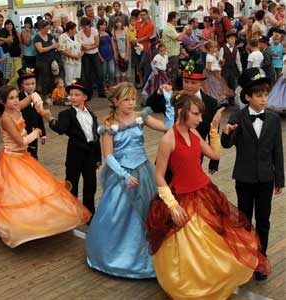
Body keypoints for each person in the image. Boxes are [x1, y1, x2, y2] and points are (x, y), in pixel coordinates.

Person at [146, 93, 271, 299]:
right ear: (181, 112)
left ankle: (212, 283)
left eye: (200, 115)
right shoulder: (168, 139)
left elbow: (215, 155)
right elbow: (159, 176)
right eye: (195, 114)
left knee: (215, 242)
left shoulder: (194, 134)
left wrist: (214, 128)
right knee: (191, 248)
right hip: (183, 198)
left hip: (204, 192)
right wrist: (172, 205)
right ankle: (193, 286)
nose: (199, 119)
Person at [0, 85, 91, 248]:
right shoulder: (5, 118)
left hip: (23, 157)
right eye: (11, 98)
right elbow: (20, 141)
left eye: (16, 96)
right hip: (13, 159)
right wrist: (36, 132)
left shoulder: (17, 107)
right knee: (17, 195)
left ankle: (43, 222)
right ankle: (19, 229)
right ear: (3, 102)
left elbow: (32, 96)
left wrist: (38, 103)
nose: (16, 100)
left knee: (37, 190)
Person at [86, 82, 173, 279]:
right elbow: (108, 155)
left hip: (144, 171)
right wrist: (124, 175)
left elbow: (168, 127)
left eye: (133, 99)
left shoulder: (140, 117)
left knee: (149, 213)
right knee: (118, 215)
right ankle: (116, 256)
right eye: (126, 99)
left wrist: (167, 101)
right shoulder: (108, 126)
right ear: (116, 101)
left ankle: (148, 257)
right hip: (123, 174)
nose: (131, 103)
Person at [222, 68, 284, 281]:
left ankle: (261, 259)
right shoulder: (238, 116)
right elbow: (227, 144)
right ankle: (245, 257)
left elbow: (278, 151)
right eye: (259, 95)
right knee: (245, 220)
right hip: (244, 178)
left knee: (264, 220)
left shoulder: (274, 120)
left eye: (266, 94)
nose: (264, 99)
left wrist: (280, 179)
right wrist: (226, 133)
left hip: (266, 179)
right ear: (248, 96)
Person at [40, 79, 101, 216]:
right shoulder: (66, 114)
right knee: (72, 184)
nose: (72, 97)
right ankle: (71, 213)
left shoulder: (92, 115)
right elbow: (61, 129)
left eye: (76, 95)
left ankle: (89, 212)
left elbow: (96, 137)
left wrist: (98, 157)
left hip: (90, 155)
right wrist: (50, 119)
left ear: (84, 97)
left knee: (90, 185)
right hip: (75, 155)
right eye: (71, 94)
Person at [146, 62, 220, 175]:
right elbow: (151, 106)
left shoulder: (211, 103)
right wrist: (159, 92)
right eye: (186, 81)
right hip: (170, 156)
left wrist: (214, 161)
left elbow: (213, 130)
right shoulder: (174, 98)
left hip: (194, 157)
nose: (189, 85)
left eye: (193, 82)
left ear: (201, 83)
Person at [17, 67, 46, 159]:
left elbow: (39, 115)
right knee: (24, 156)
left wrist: (43, 134)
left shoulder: (37, 96)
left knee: (33, 155)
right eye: (27, 84)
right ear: (22, 85)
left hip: (34, 132)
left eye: (33, 83)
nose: (30, 86)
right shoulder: (18, 98)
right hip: (22, 133)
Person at [202, 41, 234, 105]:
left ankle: (221, 101)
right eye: (215, 48)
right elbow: (208, 68)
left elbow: (218, 62)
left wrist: (220, 60)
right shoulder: (209, 57)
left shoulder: (213, 55)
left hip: (216, 73)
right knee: (214, 87)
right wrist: (217, 68)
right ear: (210, 49)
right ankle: (216, 101)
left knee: (219, 85)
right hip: (211, 74)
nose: (216, 49)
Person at [59, 21, 83, 86]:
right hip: (68, 62)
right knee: (69, 79)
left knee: (76, 78)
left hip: (78, 61)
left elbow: (82, 46)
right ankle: (69, 93)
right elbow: (61, 50)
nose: (76, 30)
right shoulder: (62, 37)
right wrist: (73, 56)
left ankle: (75, 91)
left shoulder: (77, 36)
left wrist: (80, 54)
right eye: (75, 29)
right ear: (70, 30)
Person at [220, 29, 242, 95]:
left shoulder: (236, 49)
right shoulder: (222, 48)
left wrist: (240, 70)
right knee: (225, 84)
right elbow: (220, 60)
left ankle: (232, 99)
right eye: (231, 39)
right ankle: (225, 99)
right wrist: (220, 71)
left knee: (233, 84)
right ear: (227, 39)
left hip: (233, 69)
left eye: (234, 39)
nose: (233, 40)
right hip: (225, 69)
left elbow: (238, 60)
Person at [97, 19, 115, 89]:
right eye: (102, 25)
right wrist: (100, 57)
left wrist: (115, 54)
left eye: (105, 24)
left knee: (112, 71)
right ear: (99, 25)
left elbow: (112, 44)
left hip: (110, 55)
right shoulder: (97, 34)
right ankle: (104, 86)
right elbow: (96, 47)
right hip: (102, 56)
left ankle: (110, 85)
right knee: (104, 73)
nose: (103, 26)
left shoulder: (108, 33)